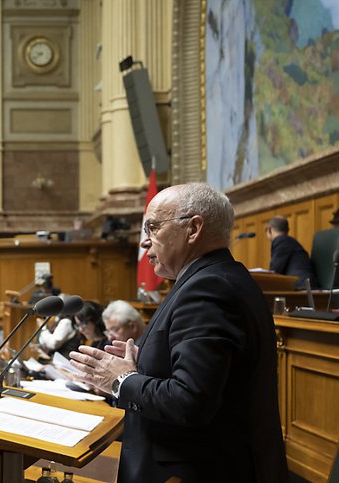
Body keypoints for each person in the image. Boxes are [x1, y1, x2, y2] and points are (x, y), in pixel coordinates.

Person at [70, 183, 287, 483]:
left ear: (193, 228)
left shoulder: (208, 289)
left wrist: (121, 380)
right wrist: (140, 364)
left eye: (153, 228)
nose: (145, 242)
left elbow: (191, 401)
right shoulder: (214, 279)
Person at [267, 216, 316, 289]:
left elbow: (275, 270)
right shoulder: (288, 241)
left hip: (301, 286)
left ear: (270, 230)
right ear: (288, 230)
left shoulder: (281, 241)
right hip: (303, 284)